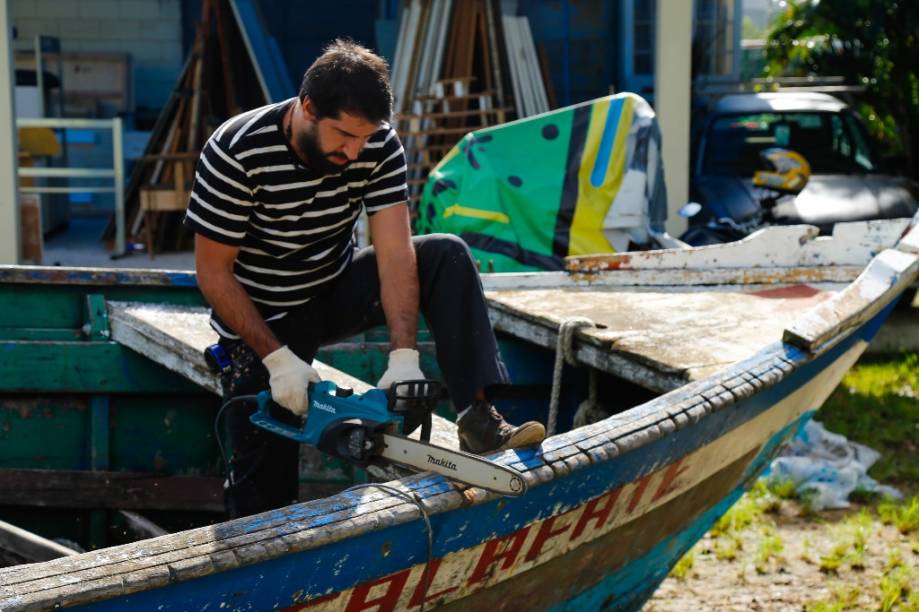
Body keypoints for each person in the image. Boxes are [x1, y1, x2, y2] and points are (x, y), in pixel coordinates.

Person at [184, 39, 545, 519]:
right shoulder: (236, 151)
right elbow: (213, 274)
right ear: (308, 107)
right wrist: (276, 360)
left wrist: (403, 356)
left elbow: (395, 254)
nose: (354, 152)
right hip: (261, 319)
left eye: (364, 138)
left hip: (331, 289)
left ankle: (477, 417)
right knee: (261, 497)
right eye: (343, 137)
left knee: (445, 254)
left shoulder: (376, 144)